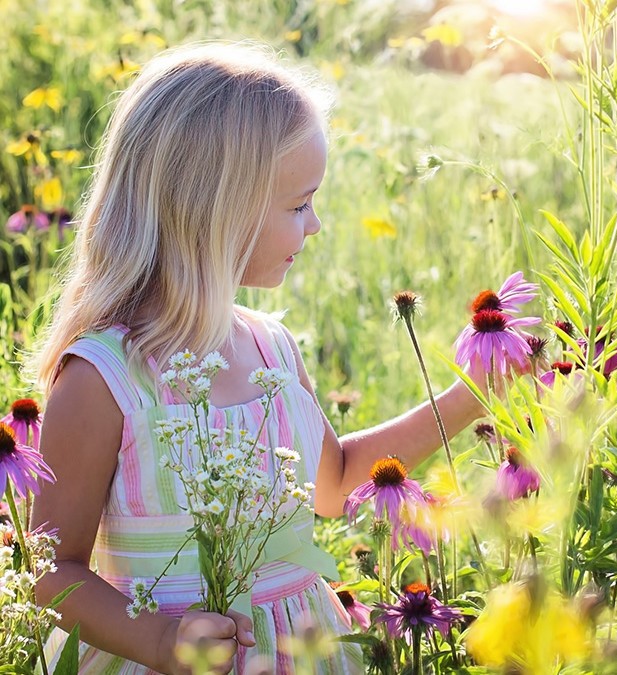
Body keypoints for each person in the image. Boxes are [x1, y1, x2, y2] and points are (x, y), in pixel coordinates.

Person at [29, 42, 486, 675]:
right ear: (215, 213)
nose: (317, 224)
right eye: (299, 205)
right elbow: (52, 574)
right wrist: (160, 642)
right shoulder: (105, 380)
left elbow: (334, 483)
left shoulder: (272, 348)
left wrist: (473, 394)